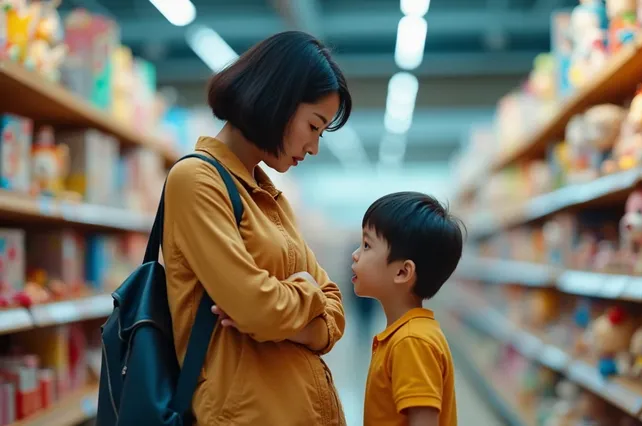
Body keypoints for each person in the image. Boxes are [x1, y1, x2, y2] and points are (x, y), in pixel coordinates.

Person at [162, 31, 351, 426]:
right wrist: (306, 294)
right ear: (277, 102)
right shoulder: (197, 180)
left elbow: (335, 315)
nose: (314, 147)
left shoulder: (269, 195)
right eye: (314, 126)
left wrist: (294, 316)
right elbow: (255, 308)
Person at [351, 192, 464, 426]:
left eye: (366, 245)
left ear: (402, 272)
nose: (355, 254)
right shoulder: (406, 335)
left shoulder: (411, 341)